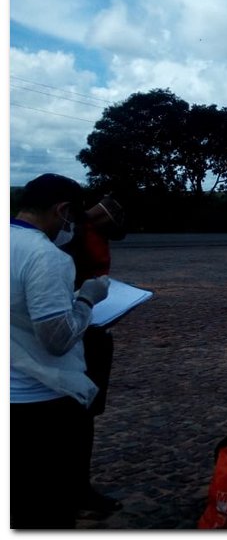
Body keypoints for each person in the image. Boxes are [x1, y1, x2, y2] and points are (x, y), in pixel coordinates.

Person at [11, 173, 110, 528]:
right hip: (41, 400)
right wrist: (86, 299)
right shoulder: (47, 256)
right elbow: (57, 338)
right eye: (74, 219)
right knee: (47, 509)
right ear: (63, 210)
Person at [60, 196, 127, 516]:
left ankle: (78, 486)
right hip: (77, 329)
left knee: (85, 416)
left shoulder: (92, 234)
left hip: (97, 328)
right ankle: (72, 490)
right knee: (73, 416)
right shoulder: (68, 238)